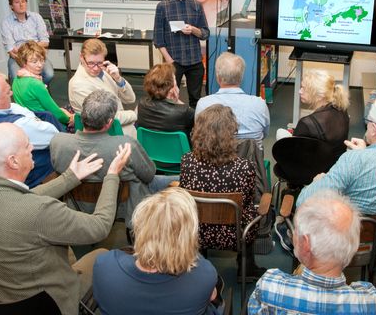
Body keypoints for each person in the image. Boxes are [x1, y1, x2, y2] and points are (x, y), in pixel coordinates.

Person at [0, 122, 131, 314]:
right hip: (47, 306)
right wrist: (113, 175)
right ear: (13, 161)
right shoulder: (39, 212)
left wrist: (70, 178)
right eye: (26, 145)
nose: (32, 147)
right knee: (101, 254)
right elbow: (99, 227)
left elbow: (22, 198)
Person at [297, 98, 376, 242]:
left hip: (341, 237)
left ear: (373, 128)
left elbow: (303, 201)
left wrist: (318, 181)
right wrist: (365, 152)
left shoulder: (353, 159)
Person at [50, 90, 177, 230]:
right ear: (110, 122)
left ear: (83, 116)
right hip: (126, 206)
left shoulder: (58, 142)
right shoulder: (125, 145)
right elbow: (149, 174)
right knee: (180, 178)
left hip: (79, 207)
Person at [248, 190, 376, 315]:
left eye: (296, 230)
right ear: (353, 247)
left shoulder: (269, 286)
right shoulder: (371, 302)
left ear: (306, 244)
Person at [93, 187, 219, 315]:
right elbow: (212, 296)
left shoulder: (104, 265)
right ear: (188, 237)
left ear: (139, 227)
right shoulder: (204, 275)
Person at [180, 104, 264, 280]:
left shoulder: (187, 162)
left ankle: (198, 265)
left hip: (197, 231)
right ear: (231, 134)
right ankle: (246, 268)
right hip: (236, 234)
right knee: (250, 209)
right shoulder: (244, 167)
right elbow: (248, 201)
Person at [154, 0, 210, 108]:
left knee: (195, 100)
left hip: (195, 61)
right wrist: (170, 61)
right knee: (169, 99)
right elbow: (158, 40)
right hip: (174, 62)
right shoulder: (163, 6)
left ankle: (194, 129)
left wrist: (193, 29)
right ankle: (171, 128)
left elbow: (205, 33)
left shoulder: (196, 5)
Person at [196, 52, 270, 147]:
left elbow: (200, 134)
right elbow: (264, 134)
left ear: (218, 77)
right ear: (241, 77)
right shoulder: (260, 104)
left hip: (215, 160)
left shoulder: (203, 104)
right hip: (251, 159)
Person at [276, 69, 350, 165]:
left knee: (280, 133)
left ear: (319, 96)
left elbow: (295, 153)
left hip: (311, 170)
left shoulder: (307, 123)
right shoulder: (342, 110)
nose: (299, 91)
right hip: (336, 165)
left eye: (304, 88)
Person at [68, 38, 137, 137]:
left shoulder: (104, 72)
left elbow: (130, 99)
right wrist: (134, 114)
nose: (96, 68)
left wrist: (118, 79)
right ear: (81, 58)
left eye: (99, 63)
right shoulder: (78, 84)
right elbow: (103, 117)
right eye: (91, 63)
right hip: (106, 133)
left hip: (118, 124)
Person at [12, 41, 73, 125]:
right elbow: (56, 113)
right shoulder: (36, 84)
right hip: (47, 123)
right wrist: (69, 119)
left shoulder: (16, 79)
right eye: (34, 62)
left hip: (29, 121)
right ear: (23, 62)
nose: (40, 65)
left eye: (42, 60)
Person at [1, 0, 54, 84]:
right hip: (18, 58)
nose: (21, 5)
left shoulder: (36, 17)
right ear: (11, 6)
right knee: (15, 78)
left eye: (23, 1)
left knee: (49, 74)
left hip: (37, 55)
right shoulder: (6, 23)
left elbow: (45, 42)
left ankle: (36, 91)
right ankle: (27, 95)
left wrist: (28, 49)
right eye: (17, 2)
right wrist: (26, 63)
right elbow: (11, 50)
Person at [136, 62, 195, 137]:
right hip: (178, 149)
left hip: (149, 148)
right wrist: (177, 101)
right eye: (174, 79)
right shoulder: (184, 111)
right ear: (170, 87)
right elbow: (197, 121)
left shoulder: (141, 104)